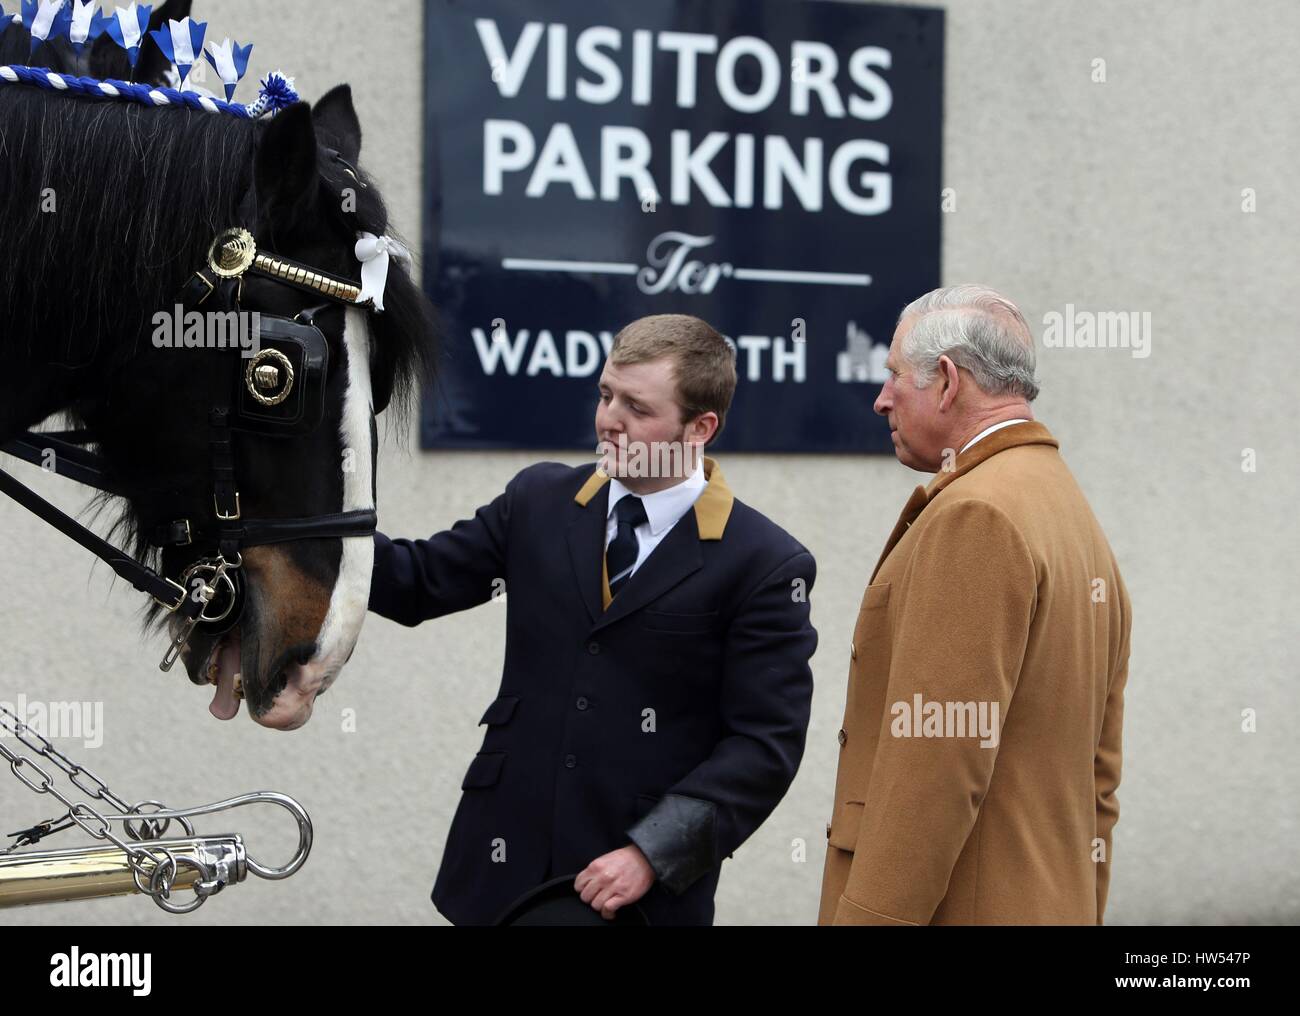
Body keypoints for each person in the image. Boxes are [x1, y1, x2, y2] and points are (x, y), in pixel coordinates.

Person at [370, 313, 817, 925]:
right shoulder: (537, 501)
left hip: (632, 894)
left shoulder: (765, 562)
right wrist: (307, 535)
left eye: (636, 406)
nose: (609, 418)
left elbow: (764, 746)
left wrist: (651, 854)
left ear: (700, 427)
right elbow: (416, 582)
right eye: (606, 394)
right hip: (499, 874)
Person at [820, 285, 1131, 925]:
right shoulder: (1069, 511)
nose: (881, 399)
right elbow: (1099, 775)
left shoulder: (976, 515)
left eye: (895, 377)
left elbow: (933, 771)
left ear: (948, 383)